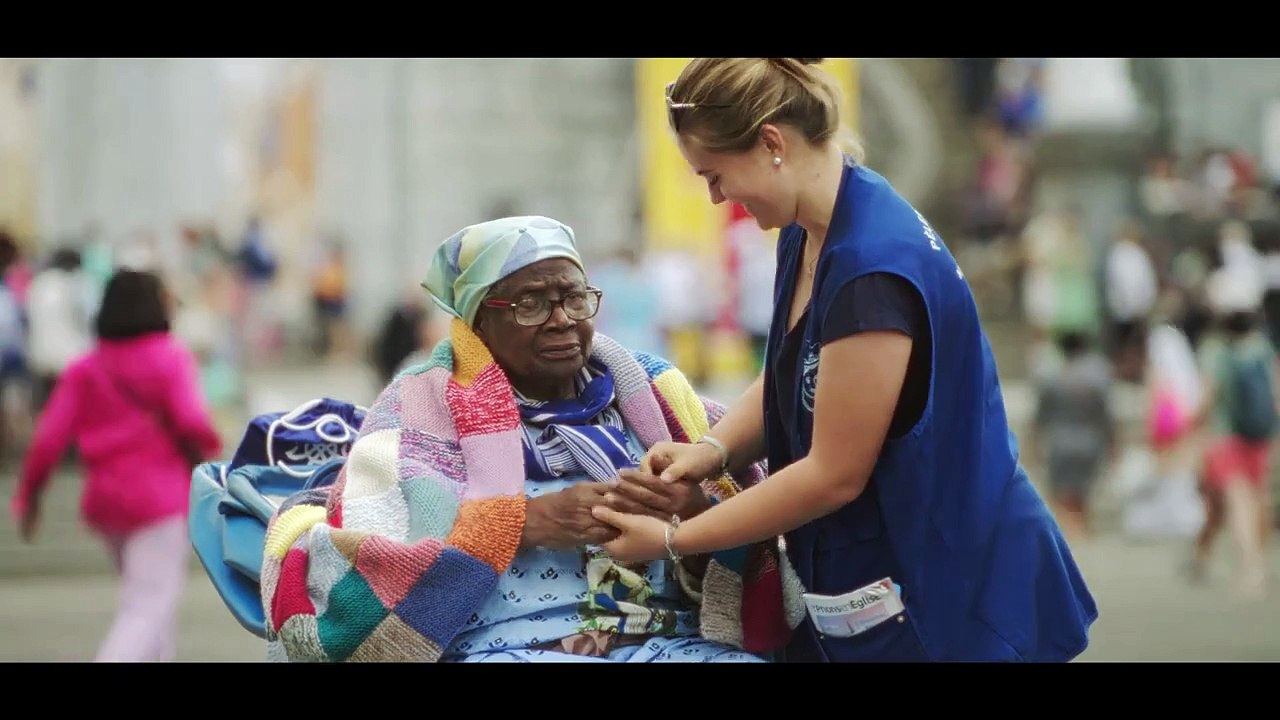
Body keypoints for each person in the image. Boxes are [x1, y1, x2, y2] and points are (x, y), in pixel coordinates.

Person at [592, 58, 1098, 662]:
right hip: (877, 572)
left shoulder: (872, 269)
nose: (716, 196)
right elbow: (797, 370)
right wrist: (713, 450)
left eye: (716, 174)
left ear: (772, 143)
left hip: (943, 581)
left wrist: (674, 539)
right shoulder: (813, 228)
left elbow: (834, 473)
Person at [257, 216, 800, 663]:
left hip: (663, 645)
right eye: (531, 304)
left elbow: (756, 526)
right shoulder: (420, 409)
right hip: (507, 648)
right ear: (477, 323)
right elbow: (368, 547)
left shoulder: (656, 394)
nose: (562, 320)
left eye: (574, 298)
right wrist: (520, 524)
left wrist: (696, 516)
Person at [9, 269, 223, 661]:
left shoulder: (84, 368)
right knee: (147, 607)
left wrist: (29, 498)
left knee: (148, 603)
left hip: (107, 503)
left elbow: (48, 440)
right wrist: (212, 446)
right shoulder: (170, 356)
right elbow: (192, 422)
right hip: (159, 501)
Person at [1189, 266, 1277, 599]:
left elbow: (1208, 394)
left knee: (1237, 501)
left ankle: (1251, 567)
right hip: (1259, 435)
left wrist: (1191, 423)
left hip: (1225, 434)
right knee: (1253, 499)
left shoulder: (1216, 348)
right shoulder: (1261, 346)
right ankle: (1207, 555)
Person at [1028, 330, 1116, 543]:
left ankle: (1071, 536)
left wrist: (1033, 445)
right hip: (1090, 442)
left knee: (1061, 496)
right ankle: (1083, 534)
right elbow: (1106, 416)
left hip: (1060, 442)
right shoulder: (1098, 378)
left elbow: (1040, 418)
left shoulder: (1051, 377)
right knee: (1083, 495)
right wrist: (1114, 444)